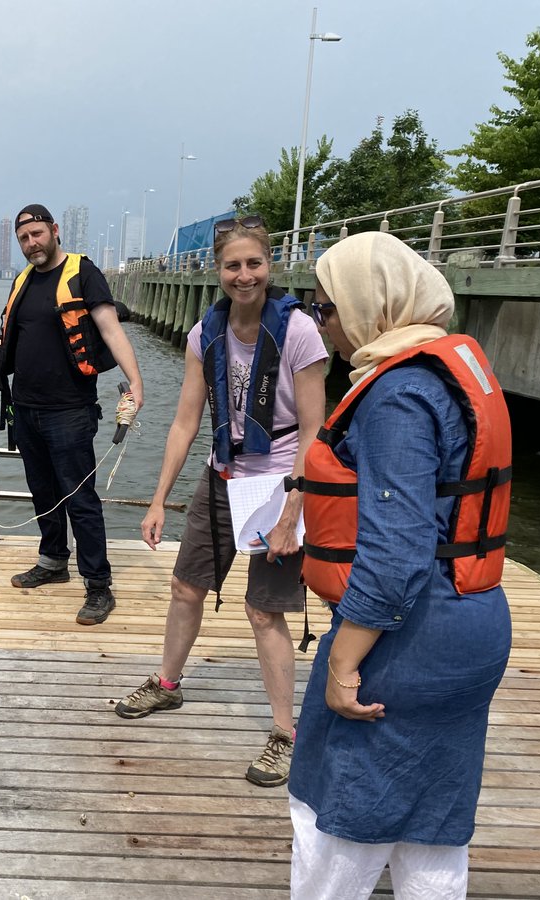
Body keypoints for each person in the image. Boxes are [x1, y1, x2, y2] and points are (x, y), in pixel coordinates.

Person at [287, 231, 513, 898]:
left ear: (370, 305)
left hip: (408, 638)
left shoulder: (396, 395)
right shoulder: (455, 372)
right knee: (432, 829)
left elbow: (395, 556)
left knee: (334, 823)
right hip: (475, 624)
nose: (320, 323)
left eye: (325, 306)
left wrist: (341, 665)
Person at [115, 216, 327, 788]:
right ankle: (167, 685)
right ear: (217, 270)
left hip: (282, 480)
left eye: (254, 263)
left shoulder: (300, 332)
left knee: (264, 610)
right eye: (233, 265)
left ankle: (285, 733)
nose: (244, 275)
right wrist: (158, 499)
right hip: (223, 474)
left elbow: (315, 430)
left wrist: (293, 511)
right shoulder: (204, 334)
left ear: (270, 265)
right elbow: (186, 422)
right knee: (186, 586)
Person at [0, 204, 144, 626]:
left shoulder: (83, 273)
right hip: (26, 410)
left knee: (80, 500)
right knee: (42, 492)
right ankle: (52, 561)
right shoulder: (23, 282)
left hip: (70, 412)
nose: (32, 244)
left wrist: (136, 384)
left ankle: (98, 585)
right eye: (24, 239)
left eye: (37, 234)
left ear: (54, 230)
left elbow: (110, 329)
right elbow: (4, 342)